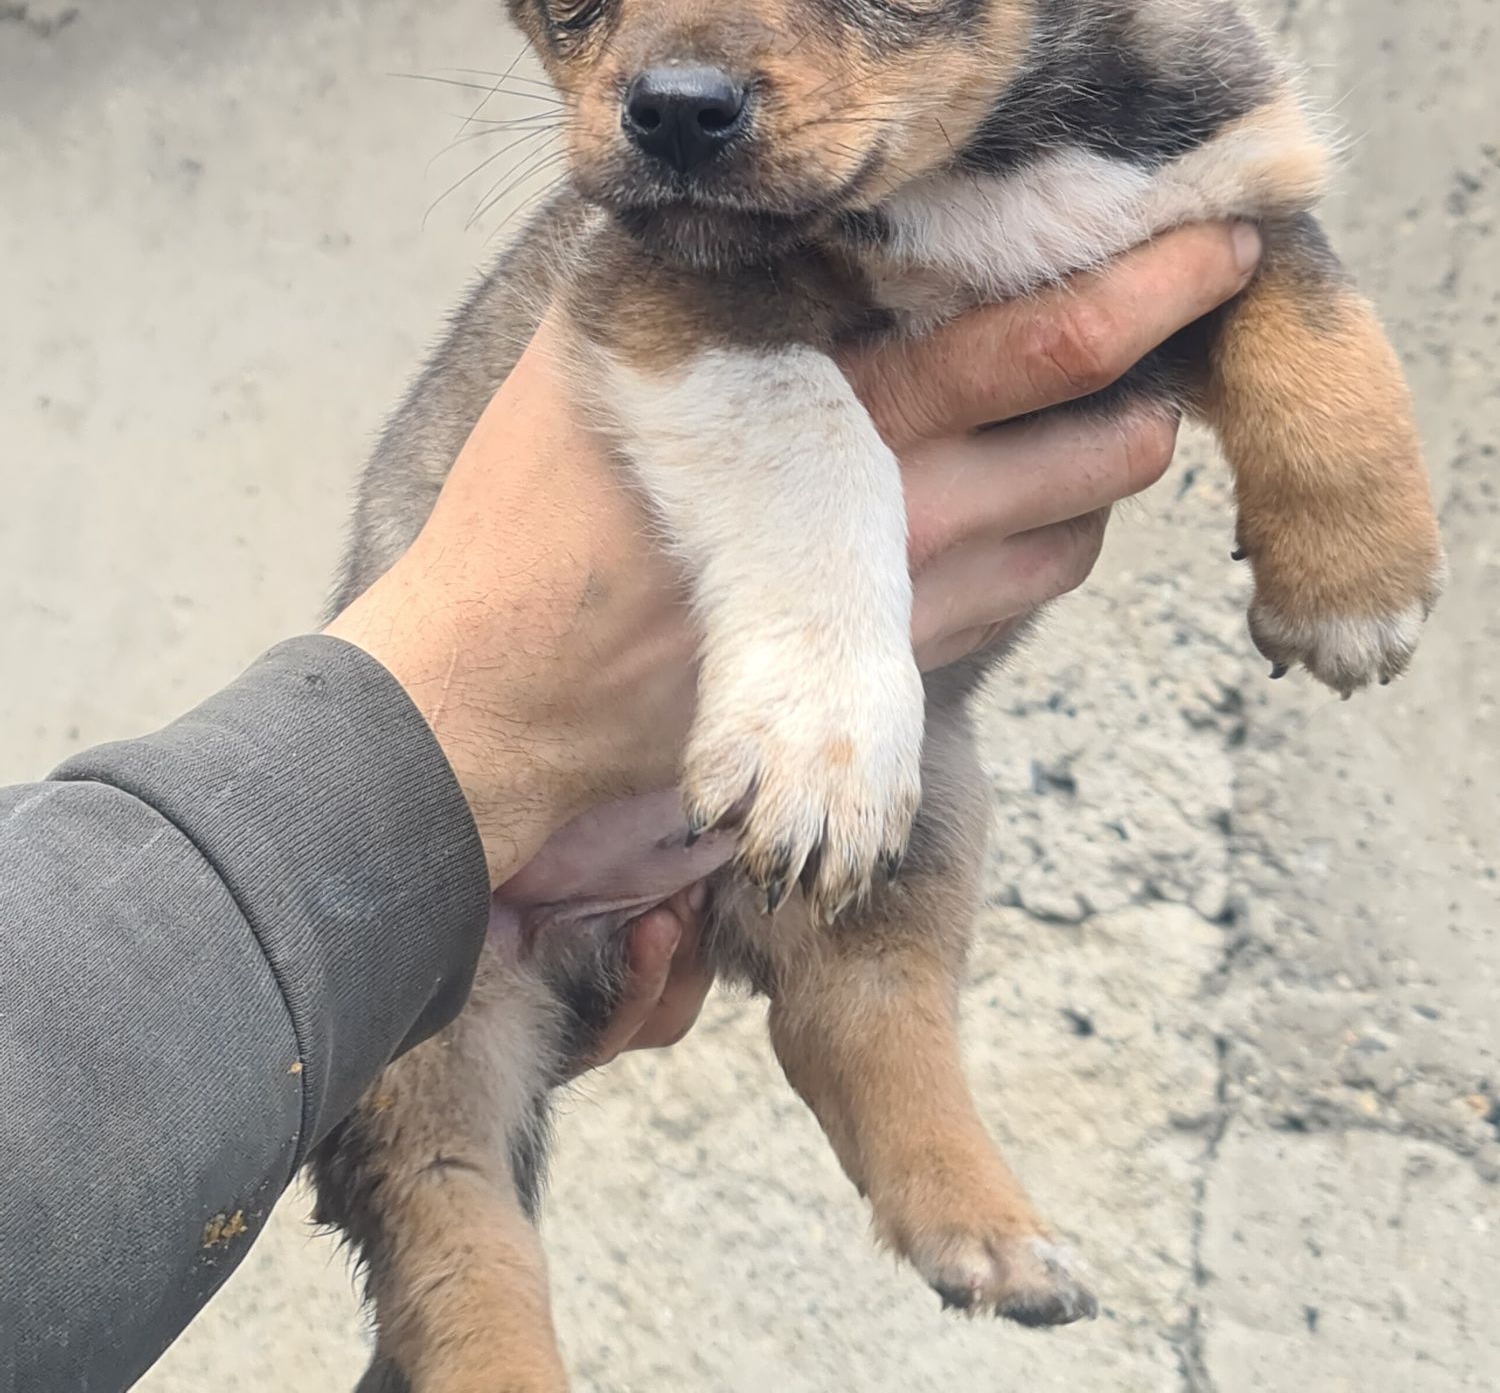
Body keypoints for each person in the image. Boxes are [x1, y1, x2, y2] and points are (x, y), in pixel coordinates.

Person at [0, 222, 1258, 1392]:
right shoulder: (713, 206)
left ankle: (925, 1150)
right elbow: (665, 317)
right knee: (442, 1149)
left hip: (716, 808)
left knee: (908, 846)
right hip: (450, 857)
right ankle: (475, 1335)